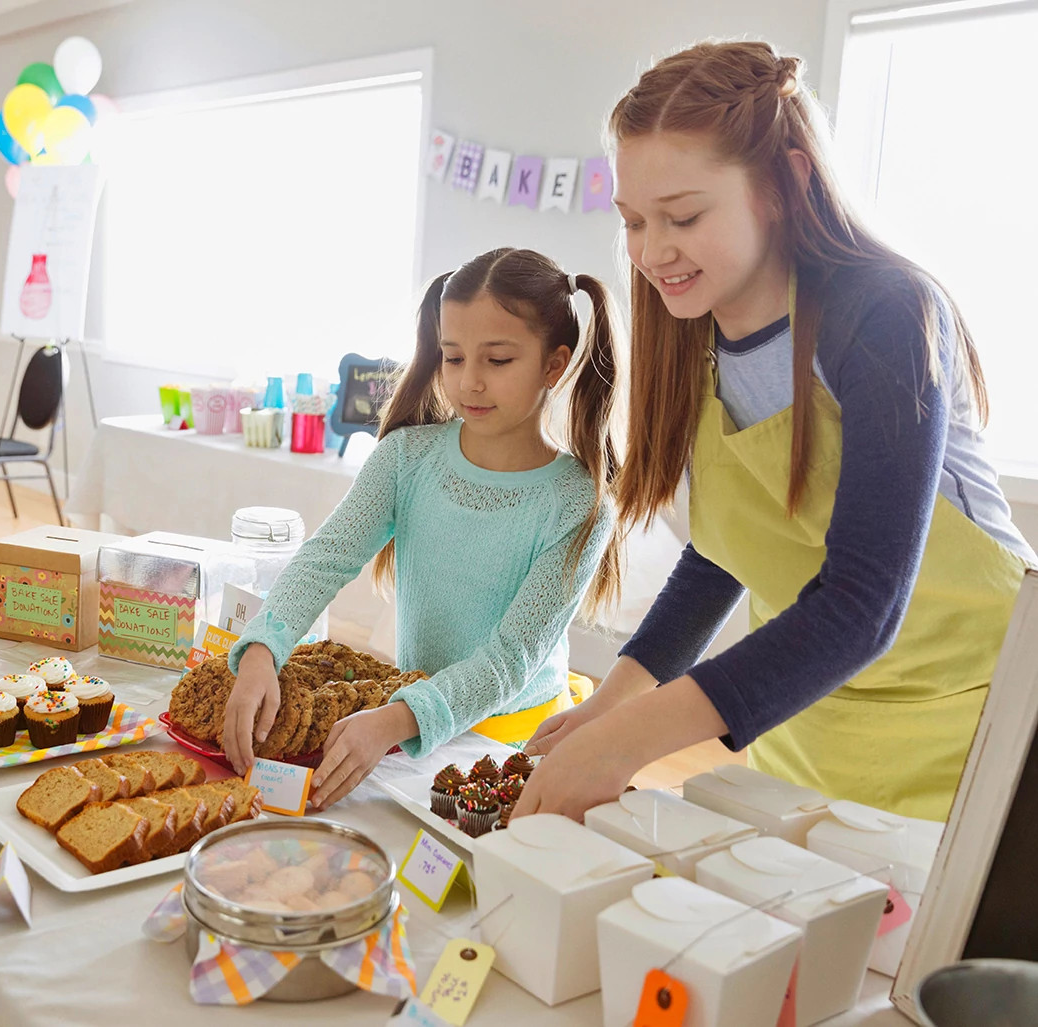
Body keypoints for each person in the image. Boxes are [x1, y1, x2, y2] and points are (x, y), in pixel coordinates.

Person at [517, 40, 1035, 824]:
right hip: (806, 728)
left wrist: (632, 740)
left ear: (785, 184)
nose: (652, 253)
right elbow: (727, 550)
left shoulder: (888, 312)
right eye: (632, 222)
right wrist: (614, 703)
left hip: (973, 731)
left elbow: (863, 603)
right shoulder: (691, 334)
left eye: (684, 216)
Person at [223, 248, 625, 809]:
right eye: (454, 358)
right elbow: (326, 558)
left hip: (510, 739)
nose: (470, 383)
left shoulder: (578, 501)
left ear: (554, 366)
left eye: (498, 361)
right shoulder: (405, 459)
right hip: (412, 716)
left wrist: (395, 719)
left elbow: (509, 661)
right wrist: (265, 647)